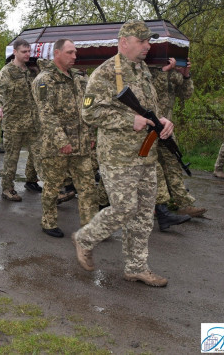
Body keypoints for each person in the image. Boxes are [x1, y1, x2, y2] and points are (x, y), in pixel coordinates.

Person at [73, 20, 174, 287]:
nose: (147, 46)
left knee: (143, 215)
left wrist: (163, 121)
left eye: (148, 41)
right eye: (142, 41)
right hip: (118, 157)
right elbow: (89, 113)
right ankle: (85, 238)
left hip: (146, 154)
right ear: (124, 42)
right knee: (124, 208)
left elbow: (149, 109)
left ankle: (136, 267)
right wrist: (129, 121)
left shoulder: (143, 70)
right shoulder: (105, 73)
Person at [32, 40, 97, 238]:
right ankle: (49, 222)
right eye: (70, 52)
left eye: (75, 52)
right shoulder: (44, 80)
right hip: (56, 147)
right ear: (57, 53)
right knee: (53, 187)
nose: (74, 56)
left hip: (81, 144)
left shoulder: (78, 78)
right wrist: (62, 141)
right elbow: (47, 114)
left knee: (88, 187)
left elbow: (87, 108)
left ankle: (89, 227)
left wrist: (90, 134)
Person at [150, 58, 205, 224]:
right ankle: (153, 205)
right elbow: (152, 92)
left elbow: (186, 94)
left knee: (173, 162)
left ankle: (183, 204)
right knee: (150, 168)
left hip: (166, 127)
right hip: (149, 125)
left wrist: (186, 75)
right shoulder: (149, 70)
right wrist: (163, 71)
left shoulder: (173, 74)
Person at [0, 39, 42, 201]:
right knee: (11, 158)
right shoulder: (7, 71)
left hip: (33, 122)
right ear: (15, 52)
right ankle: (7, 188)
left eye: (29, 51)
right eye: (24, 52)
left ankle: (32, 180)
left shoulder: (32, 71)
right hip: (14, 123)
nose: (27, 54)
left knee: (38, 153)